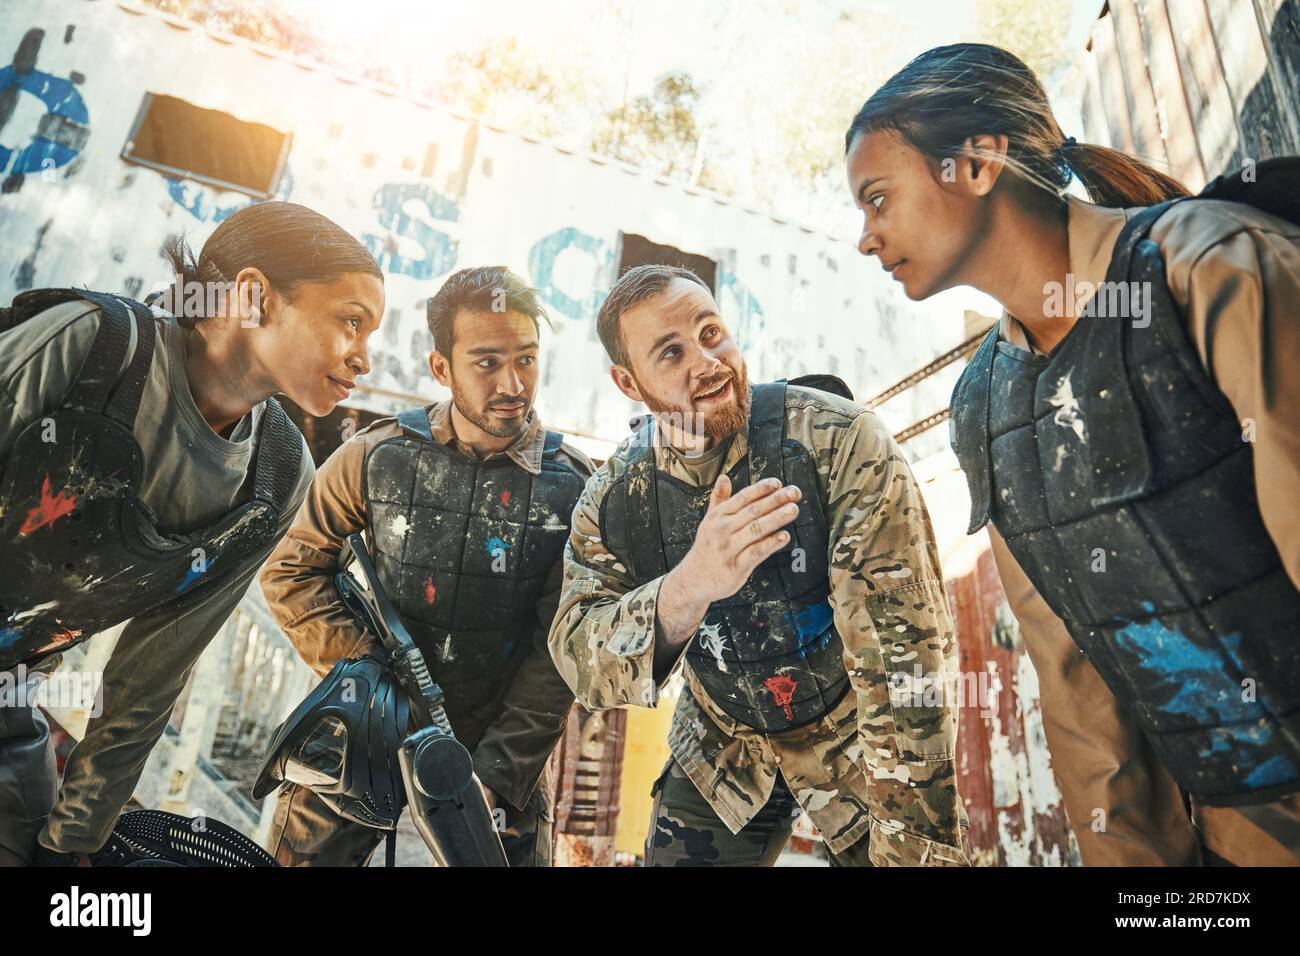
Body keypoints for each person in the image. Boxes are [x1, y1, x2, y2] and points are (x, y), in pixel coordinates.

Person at [844, 43, 1300, 865]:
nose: (866, 238)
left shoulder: (1203, 262)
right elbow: (1075, 683)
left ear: (979, 162)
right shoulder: (984, 407)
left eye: (879, 199)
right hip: (1242, 834)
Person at [0, 200, 385, 865]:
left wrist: (73, 844)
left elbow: (148, 681)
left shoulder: (277, 478)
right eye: (352, 322)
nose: (366, 359)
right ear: (255, 296)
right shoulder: (92, 346)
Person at [548, 263, 970, 866]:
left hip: (860, 743)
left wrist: (914, 846)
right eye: (671, 353)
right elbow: (580, 660)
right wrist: (690, 584)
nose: (706, 361)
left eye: (710, 332)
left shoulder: (840, 441)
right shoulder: (617, 499)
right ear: (627, 380)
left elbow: (903, 657)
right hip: (723, 746)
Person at [258, 266, 591, 867]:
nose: (513, 383)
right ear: (442, 369)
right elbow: (291, 570)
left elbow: (563, 645)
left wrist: (498, 769)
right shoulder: (372, 456)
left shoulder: (578, 488)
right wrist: (370, 686)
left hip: (501, 748)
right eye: (487, 363)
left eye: (527, 359)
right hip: (360, 731)